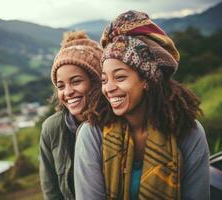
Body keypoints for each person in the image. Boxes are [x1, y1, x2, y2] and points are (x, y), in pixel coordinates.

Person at [74, 11, 210, 200]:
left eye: (120, 77)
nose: (109, 88)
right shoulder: (92, 134)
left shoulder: (189, 132)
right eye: (104, 80)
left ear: (146, 80)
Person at [39, 30, 102, 200]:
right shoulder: (51, 129)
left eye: (76, 81)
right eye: (61, 86)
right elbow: (51, 191)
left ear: (96, 82)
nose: (68, 92)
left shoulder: (117, 121)